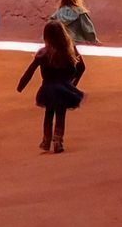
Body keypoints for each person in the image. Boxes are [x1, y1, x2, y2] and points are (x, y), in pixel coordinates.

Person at [17, 19, 86, 153]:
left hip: (48, 88)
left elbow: (30, 71)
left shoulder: (43, 53)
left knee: (49, 113)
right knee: (61, 114)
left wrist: (21, 85)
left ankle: (46, 139)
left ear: (46, 36)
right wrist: (73, 84)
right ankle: (58, 140)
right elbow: (82, 67)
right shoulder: (70, 50)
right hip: (64, 88)